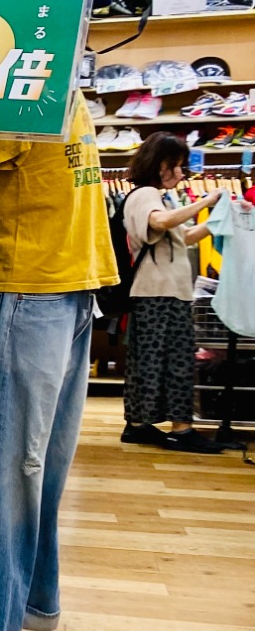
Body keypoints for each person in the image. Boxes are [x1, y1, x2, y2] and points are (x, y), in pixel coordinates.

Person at [0, 91, 117, 631]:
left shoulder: (58, 67)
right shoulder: (13, 63)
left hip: (71, 282)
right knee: (13, 469)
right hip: (25, 287)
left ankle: (27, 606)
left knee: (44, 468)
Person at [120, 132, 215, 452]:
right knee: (172, 361)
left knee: (153, 360)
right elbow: (160, 223)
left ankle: (139, 425)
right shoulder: (145, 194)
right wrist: (206, 202)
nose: (180, 173)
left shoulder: (158, 196)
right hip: (158, 293)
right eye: (176, 165)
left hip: (163, 292)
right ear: (159, 164)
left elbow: (182, 237)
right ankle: (179, 429)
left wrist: (219, 219)